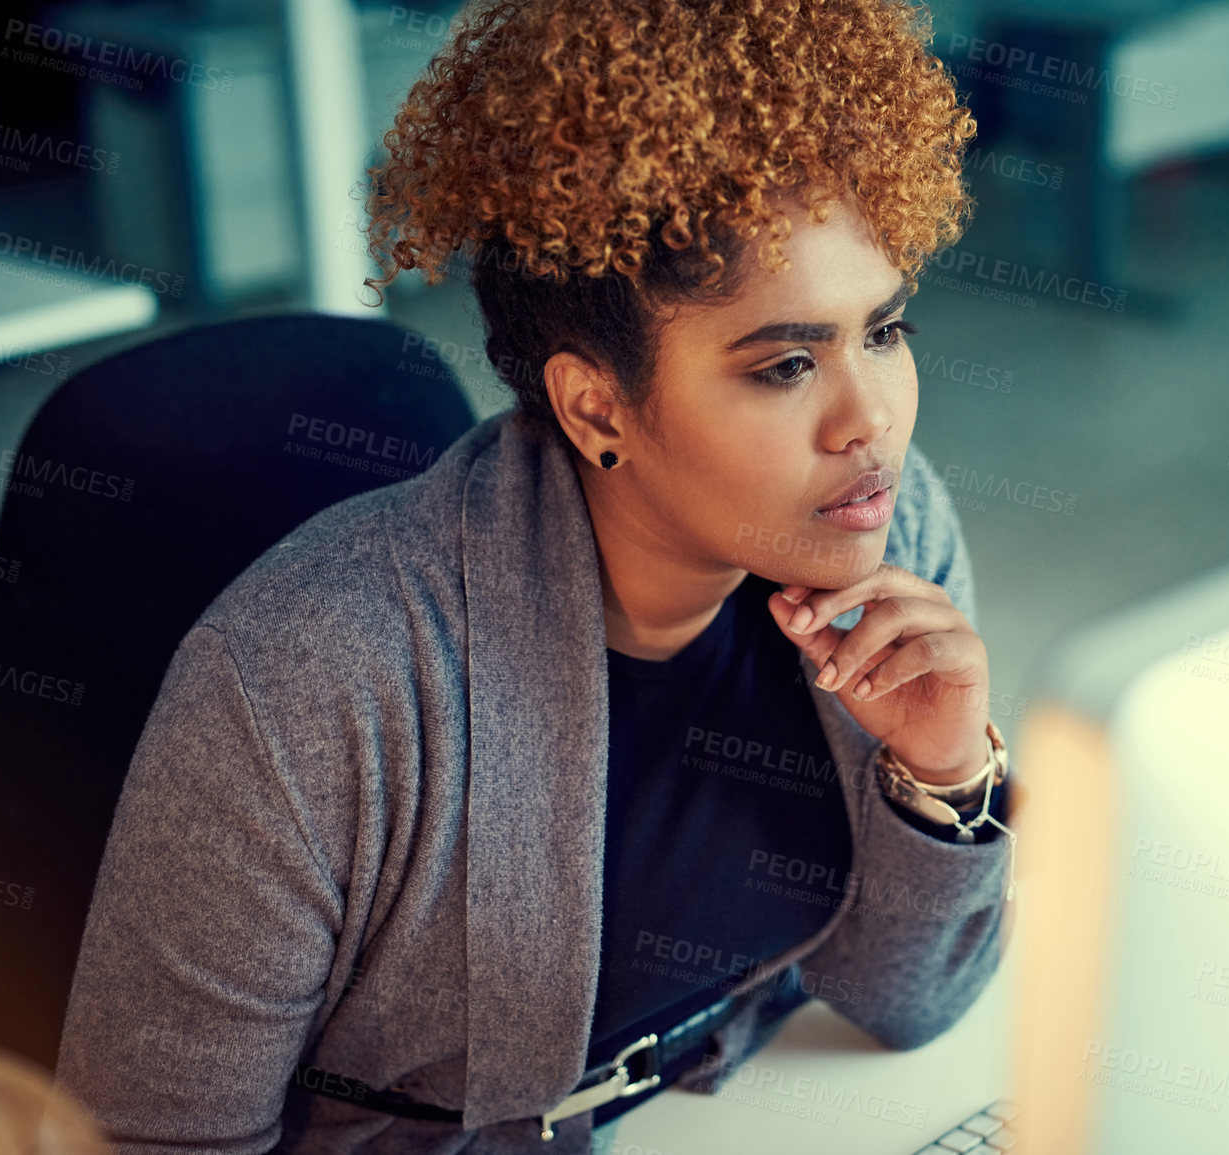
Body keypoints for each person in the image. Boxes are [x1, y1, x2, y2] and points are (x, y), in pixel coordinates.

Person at [53, 0, 1017, 1149]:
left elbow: (903, 1001)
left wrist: (943, 775)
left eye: (887, 331)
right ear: (595, 406)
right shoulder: (313, 681)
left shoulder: (889, 535)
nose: (873, 420)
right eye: (788, 365)